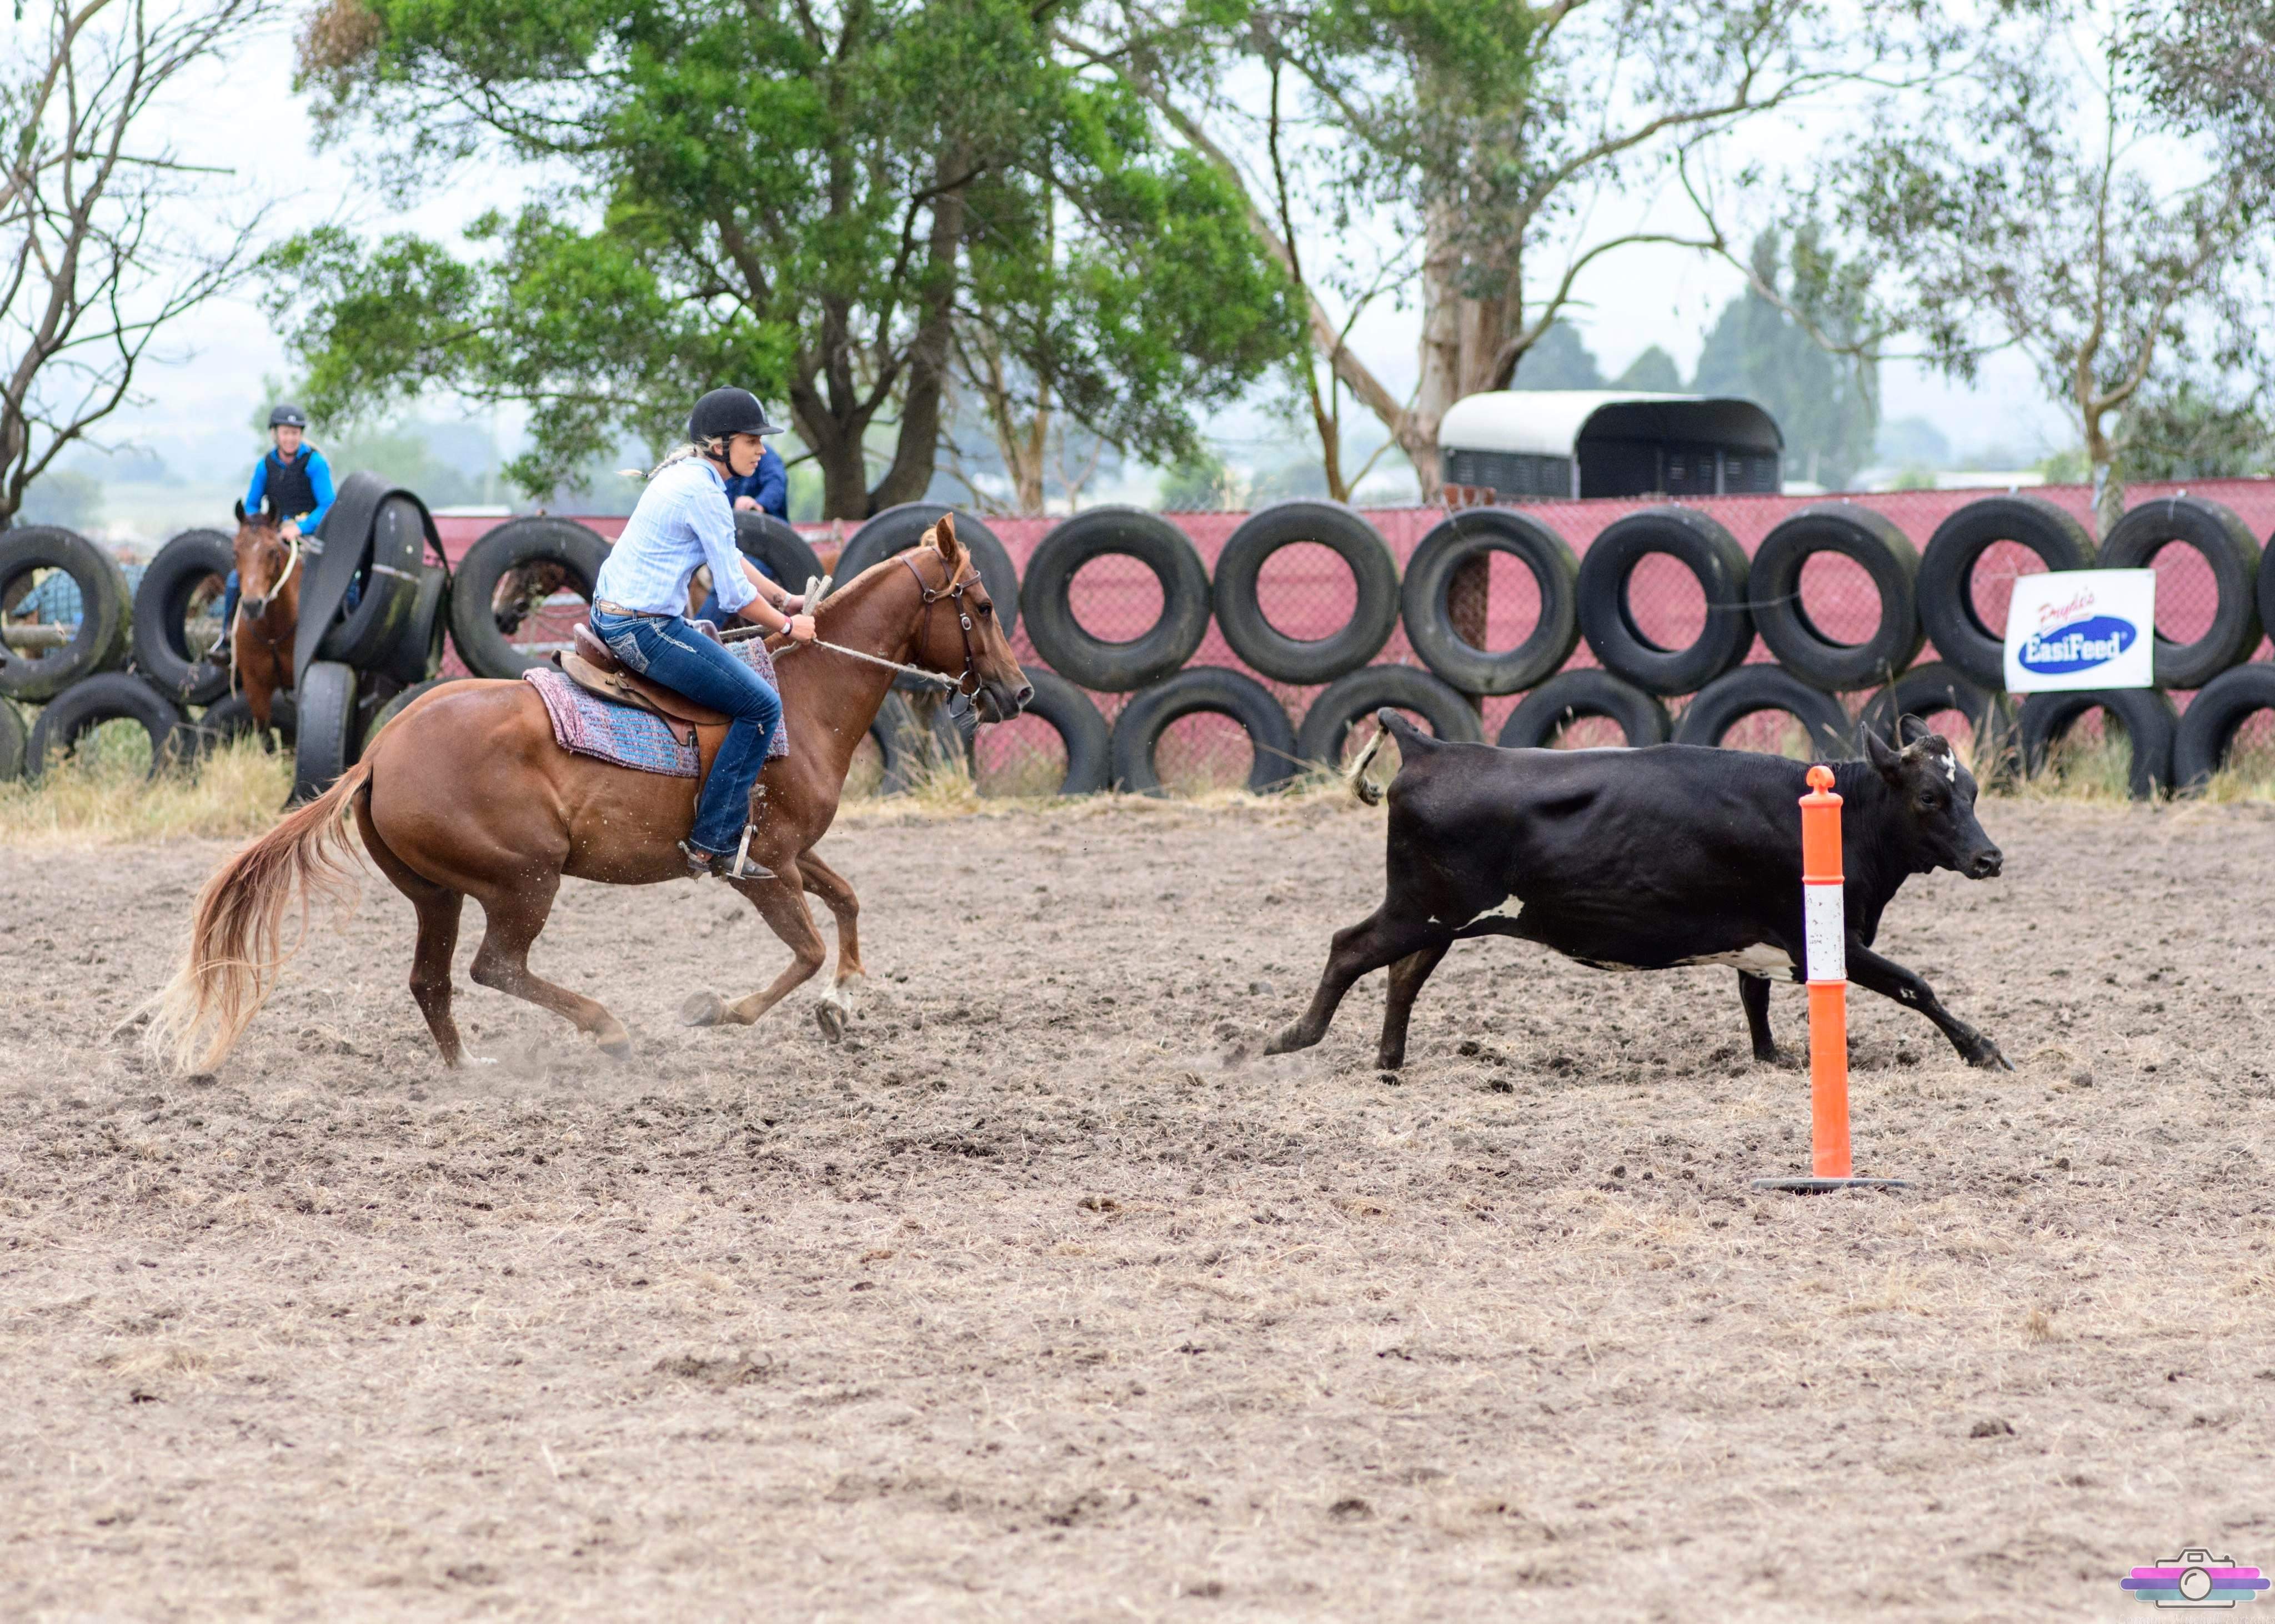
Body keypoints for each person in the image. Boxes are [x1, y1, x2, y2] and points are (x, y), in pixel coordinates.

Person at [589, 387, 815, 879]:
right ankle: (713, 842)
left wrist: (784, 599)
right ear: (720, 445)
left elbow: (729, 558)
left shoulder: (688, 476)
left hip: (615, 615)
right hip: (644, 628)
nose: (761, 450)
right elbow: (733, 596)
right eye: (752, 440)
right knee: (762, 707)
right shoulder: (705, 491)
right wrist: (788, 626)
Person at [219, 405, 339, 646]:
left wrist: (300, 527)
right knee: (234, 581)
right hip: (275, 534)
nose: (290, 438)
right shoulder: (265, 465)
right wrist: (260, 527)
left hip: (310, 535)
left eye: (295, 433)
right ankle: (226, 638)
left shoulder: (314, 463)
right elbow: (252, 504)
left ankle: (336, 636)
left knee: (337, 577)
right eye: (286, 433)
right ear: (275, 434)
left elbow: (328, 505)